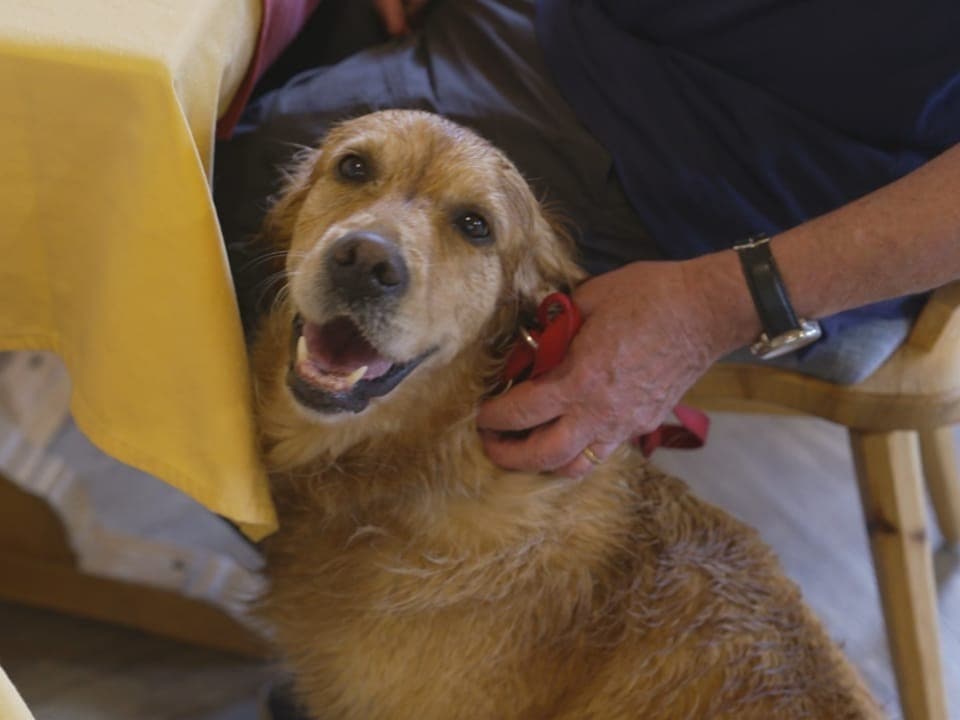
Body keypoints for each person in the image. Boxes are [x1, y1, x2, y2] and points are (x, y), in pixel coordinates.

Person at [214, 0, 960, 482]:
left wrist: (719, 301)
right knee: (227, 69)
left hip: (742, 163)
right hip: (562, 21)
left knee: (223, 197)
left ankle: (361, 658)